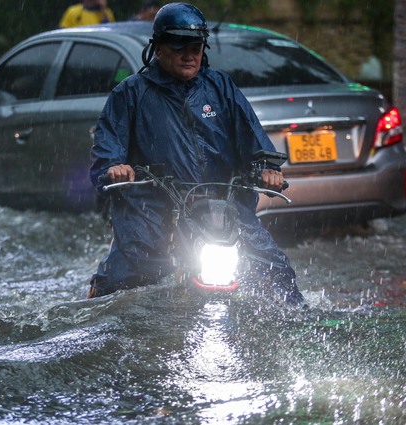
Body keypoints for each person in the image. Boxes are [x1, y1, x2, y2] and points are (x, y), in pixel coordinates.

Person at [87, 2, 304, 305]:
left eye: (196, 46)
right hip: (154, 208)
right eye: (179, 46)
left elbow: (253, 138)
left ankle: (296, 323)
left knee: (274, 266)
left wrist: (268, 168)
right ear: (159, 47)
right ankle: (96, 309)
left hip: (221, 206)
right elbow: (105, 154)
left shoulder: (221, 87)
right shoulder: (130, 94)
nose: (189, 54)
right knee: (130, 274)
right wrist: (114, 167)